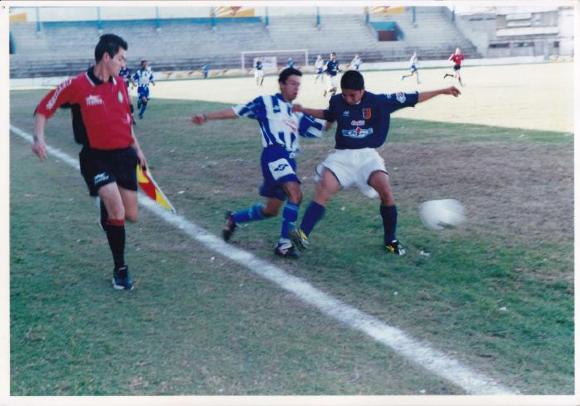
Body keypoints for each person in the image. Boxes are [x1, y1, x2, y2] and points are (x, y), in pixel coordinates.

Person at [290, 70, 460, 256]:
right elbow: (329, 114)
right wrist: (304, 109)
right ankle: (303, 234)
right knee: (324, 188)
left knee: (385, 191)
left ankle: (391, 241)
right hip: (342, 157)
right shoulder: (337, 101)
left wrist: (442, 90)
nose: (347, 98)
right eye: (344, 94)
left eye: (352, 95)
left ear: (362, 90)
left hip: (368, 157)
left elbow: (414, 97)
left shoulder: (379, 102)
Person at [32, 33, 148, 290]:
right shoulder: (76, 85)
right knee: (117, 210)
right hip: (96, 157)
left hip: (124, 155)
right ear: (106, 57)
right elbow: (43, 109)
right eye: (120, 58)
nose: (123, 63)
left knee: (131, 215)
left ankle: (106, 210)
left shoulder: (119, 84)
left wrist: (138, 150)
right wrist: (38, 138)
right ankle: (120, 270)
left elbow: (127, 123)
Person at [191, 68, 325, 258]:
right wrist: (206, 116)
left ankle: (234, 218)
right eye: (293, 83)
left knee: (271, 210)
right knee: (295, 193)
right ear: (282, 84)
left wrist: (338, 111)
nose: (296, 88)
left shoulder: (298, 113)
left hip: (289, 160)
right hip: (273, 154)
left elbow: (322, 128)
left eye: (299, 85)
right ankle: (284, 245)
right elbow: (236, 111)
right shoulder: (265, 102)